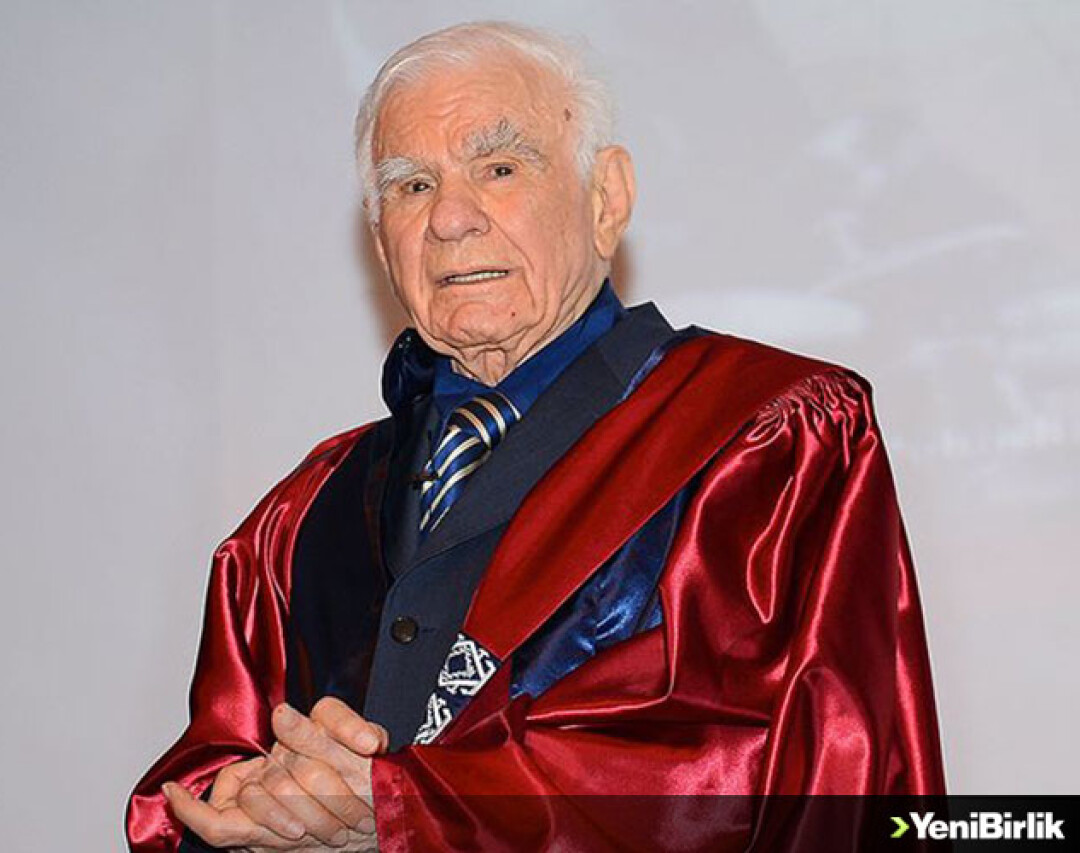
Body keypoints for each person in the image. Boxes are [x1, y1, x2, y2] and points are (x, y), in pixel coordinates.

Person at [127, 21, 945, 852]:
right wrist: (251, 816)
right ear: (379, 241)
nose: (450, 219)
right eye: (411, 185)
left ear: (606, 198)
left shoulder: (765, 437)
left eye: (500, 168)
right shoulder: (303, 515)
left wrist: (414, 808)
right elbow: (201, 778)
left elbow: (793, 769)